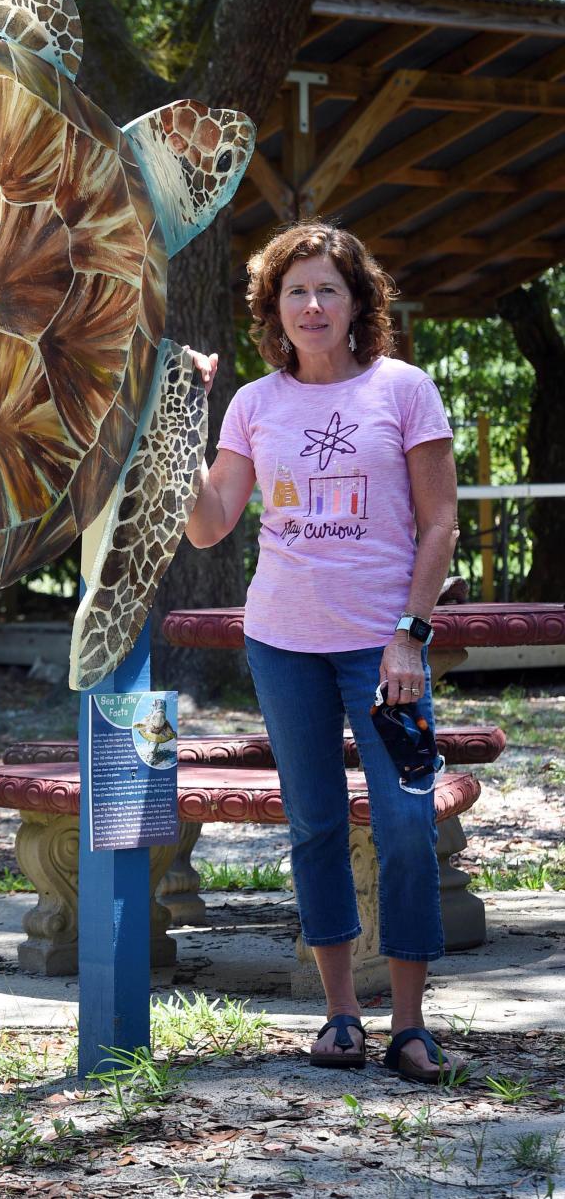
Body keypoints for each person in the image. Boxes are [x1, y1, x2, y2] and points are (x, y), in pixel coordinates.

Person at [185, 220, 463, 1084]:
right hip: (282, 642)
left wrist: (410, 633)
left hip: (385, 651)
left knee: (408, 823)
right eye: (294, 290)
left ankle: (409, 1025)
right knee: (313, 824)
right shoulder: (254, 404)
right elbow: (208, 524)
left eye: (327, 289)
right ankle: (340, 1014)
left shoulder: (404, 389)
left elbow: (441, 521)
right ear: (274, 308)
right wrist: (183, 417)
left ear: (357, 302)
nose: (311, 304)